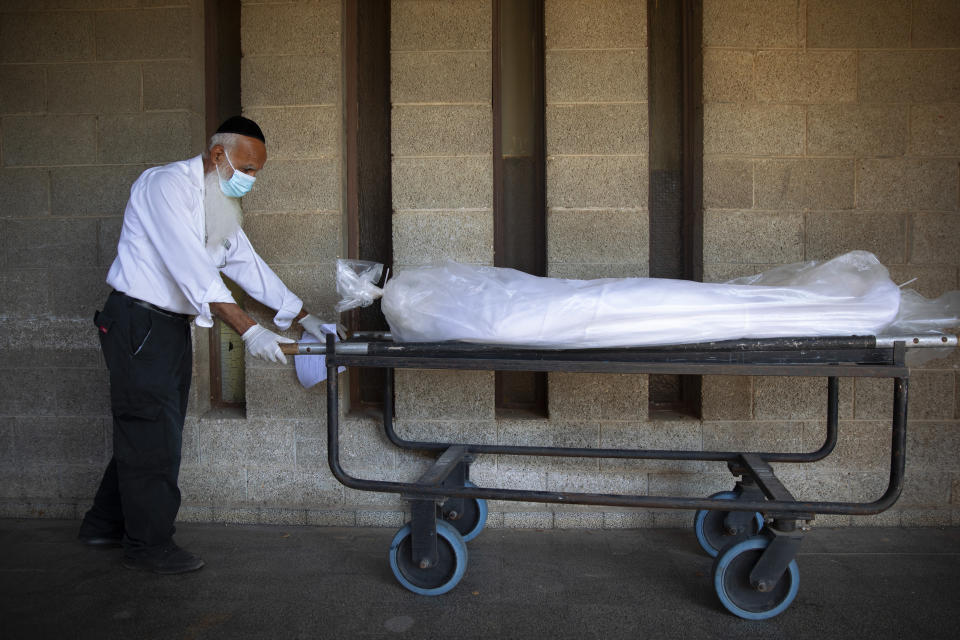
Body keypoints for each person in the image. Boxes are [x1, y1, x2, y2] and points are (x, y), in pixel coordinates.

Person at [77, 116, 327, 574]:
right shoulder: (164, 186)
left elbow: (246, 263)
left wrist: (308, 319)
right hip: (138, 321)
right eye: (247, 169)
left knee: (149, 429)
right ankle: (148, 546)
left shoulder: (218, 202)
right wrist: (250, 331)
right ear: (218, 155)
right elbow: (195, 271)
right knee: (153, 434)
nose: (252, 180)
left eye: (257, 173)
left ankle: (103, 523)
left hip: (166, 327)